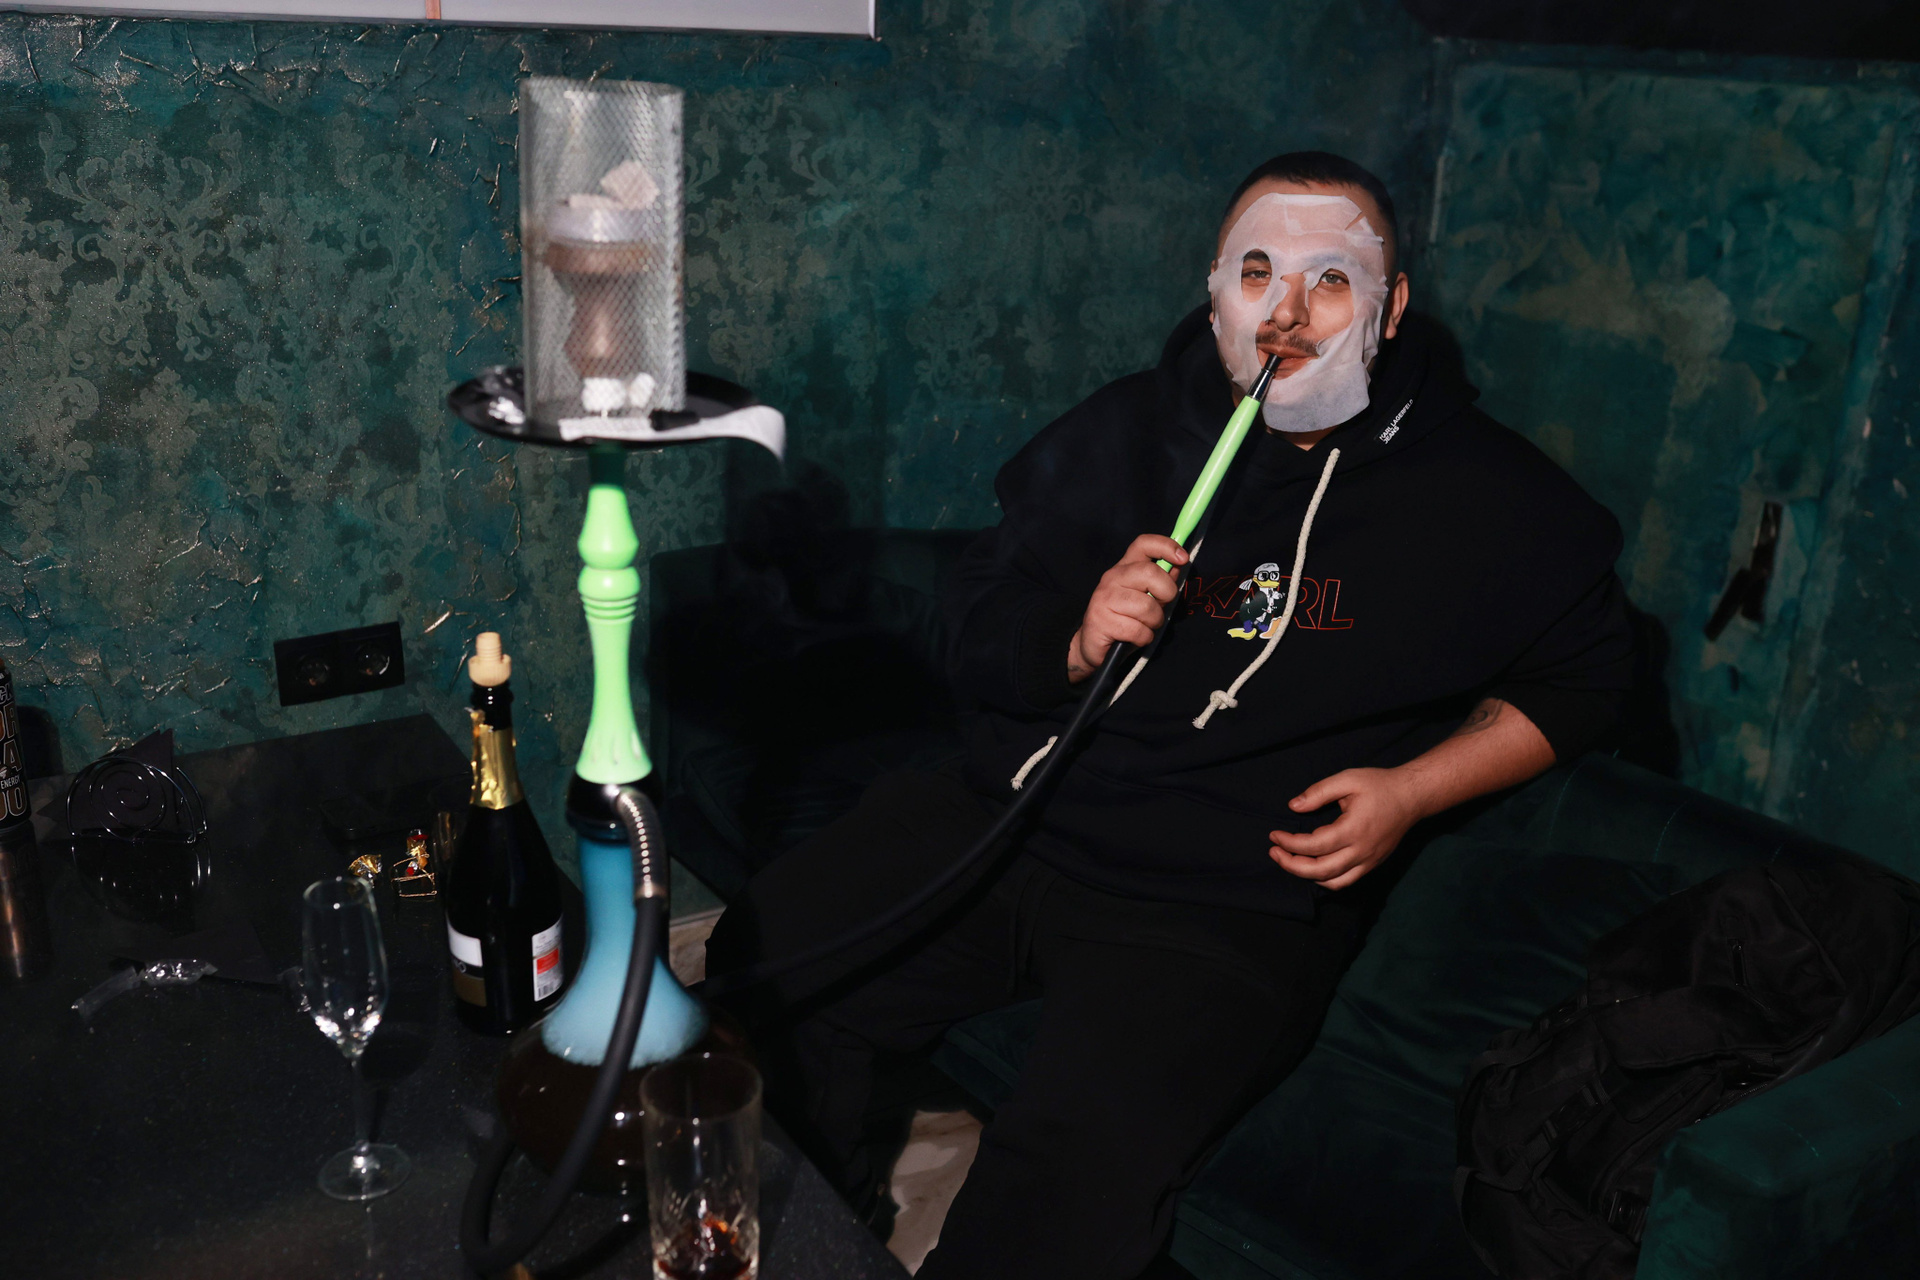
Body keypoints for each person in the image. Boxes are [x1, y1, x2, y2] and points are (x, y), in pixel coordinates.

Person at [707, 151, 1635, 1280]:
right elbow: (975, 608)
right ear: (1213, 292)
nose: (1287, 313)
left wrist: (1410, 791)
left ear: (1390, 308)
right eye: (1258, 272)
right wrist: (1074, 636)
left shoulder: (1483, 491)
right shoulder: (1130, 429)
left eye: (1331, 280)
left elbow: (1591, 674)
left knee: (1068, 1178)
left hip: (1224, 896)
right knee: (770, 955)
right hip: (1016, 810)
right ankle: (814, 1241)